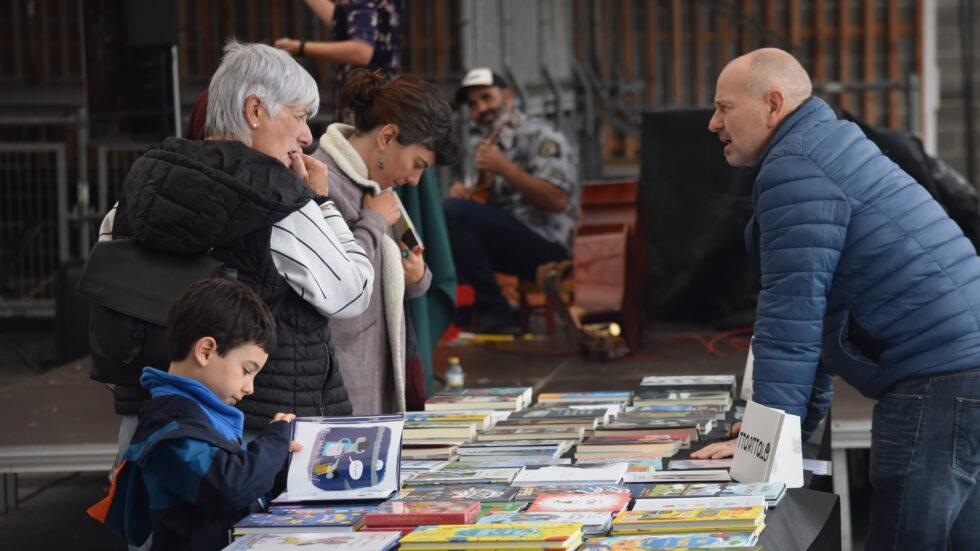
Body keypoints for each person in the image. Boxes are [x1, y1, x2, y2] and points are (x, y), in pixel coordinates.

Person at [692, 48, 980, 549]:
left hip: (938, 376)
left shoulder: (797, 168)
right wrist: (795, 429)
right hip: (960, 368)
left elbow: (790, 318)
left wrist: (761, 453)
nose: (714, 123)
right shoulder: (823, 147)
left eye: (724, 107)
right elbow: (823, 315)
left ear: (773, 104)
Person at [99, 41, 374, 449]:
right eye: (299, 116)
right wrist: (322, 204)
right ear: (255, 110)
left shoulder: (139, 194)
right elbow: (354, 291)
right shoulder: (278, 205)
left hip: (147, 429)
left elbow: (110, 306)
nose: (306, 137)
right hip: (255, 440)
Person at [88, 278, 303, 551]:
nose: (249, 388)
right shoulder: (170, 427)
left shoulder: (201, 417)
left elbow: (241, 493)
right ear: (206, 351)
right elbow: (228, 487)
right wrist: (274, 443)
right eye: (247, 370)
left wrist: (282, 465)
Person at [310, 68, 458, 414]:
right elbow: (339, 281)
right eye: (418, 164)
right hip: (341, 378)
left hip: (375, 368)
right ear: (388, 137)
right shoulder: (320, 179)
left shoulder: (378, 188)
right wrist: (374, 220)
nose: (415, 179)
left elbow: (399, 276)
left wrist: (416, 275)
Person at [444, 68, 579, 333]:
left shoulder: (541, 136)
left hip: (547, 242)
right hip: (511, 239)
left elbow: (557, 200)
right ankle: (463, 311)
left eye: (487, 98)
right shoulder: (484, 144)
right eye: (473, 104)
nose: (481, 109)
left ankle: (496, 311)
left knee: (452, 214)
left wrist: (505, 168)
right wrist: (467, 194)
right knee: (445, 216)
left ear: (507, 97)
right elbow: (486, 205)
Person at [274, 0, 402, 91]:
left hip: (364, 94)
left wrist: (301, 47)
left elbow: (362, 51)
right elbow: (347, 21)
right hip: (381, 90)